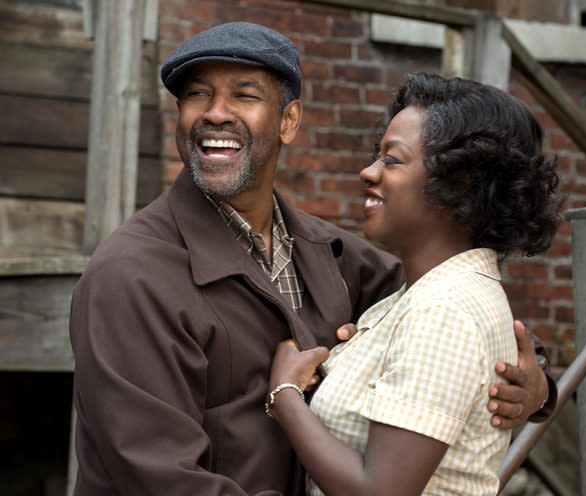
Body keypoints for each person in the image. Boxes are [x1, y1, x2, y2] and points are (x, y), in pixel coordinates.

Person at [69, 22, 553, 496]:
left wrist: (537, 388)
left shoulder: (332, 254)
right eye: (196, 95)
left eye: (244, 95)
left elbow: (452, 321)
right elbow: (161, 477)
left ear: (288, 121)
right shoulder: (131, 275)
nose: (215, 113)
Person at [266, 72, 563, 496]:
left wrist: (285, 396)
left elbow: (382, 491)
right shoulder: (417, 297)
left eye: (392, 159)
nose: (368, 172)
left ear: (458, 182)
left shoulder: (443, 309)